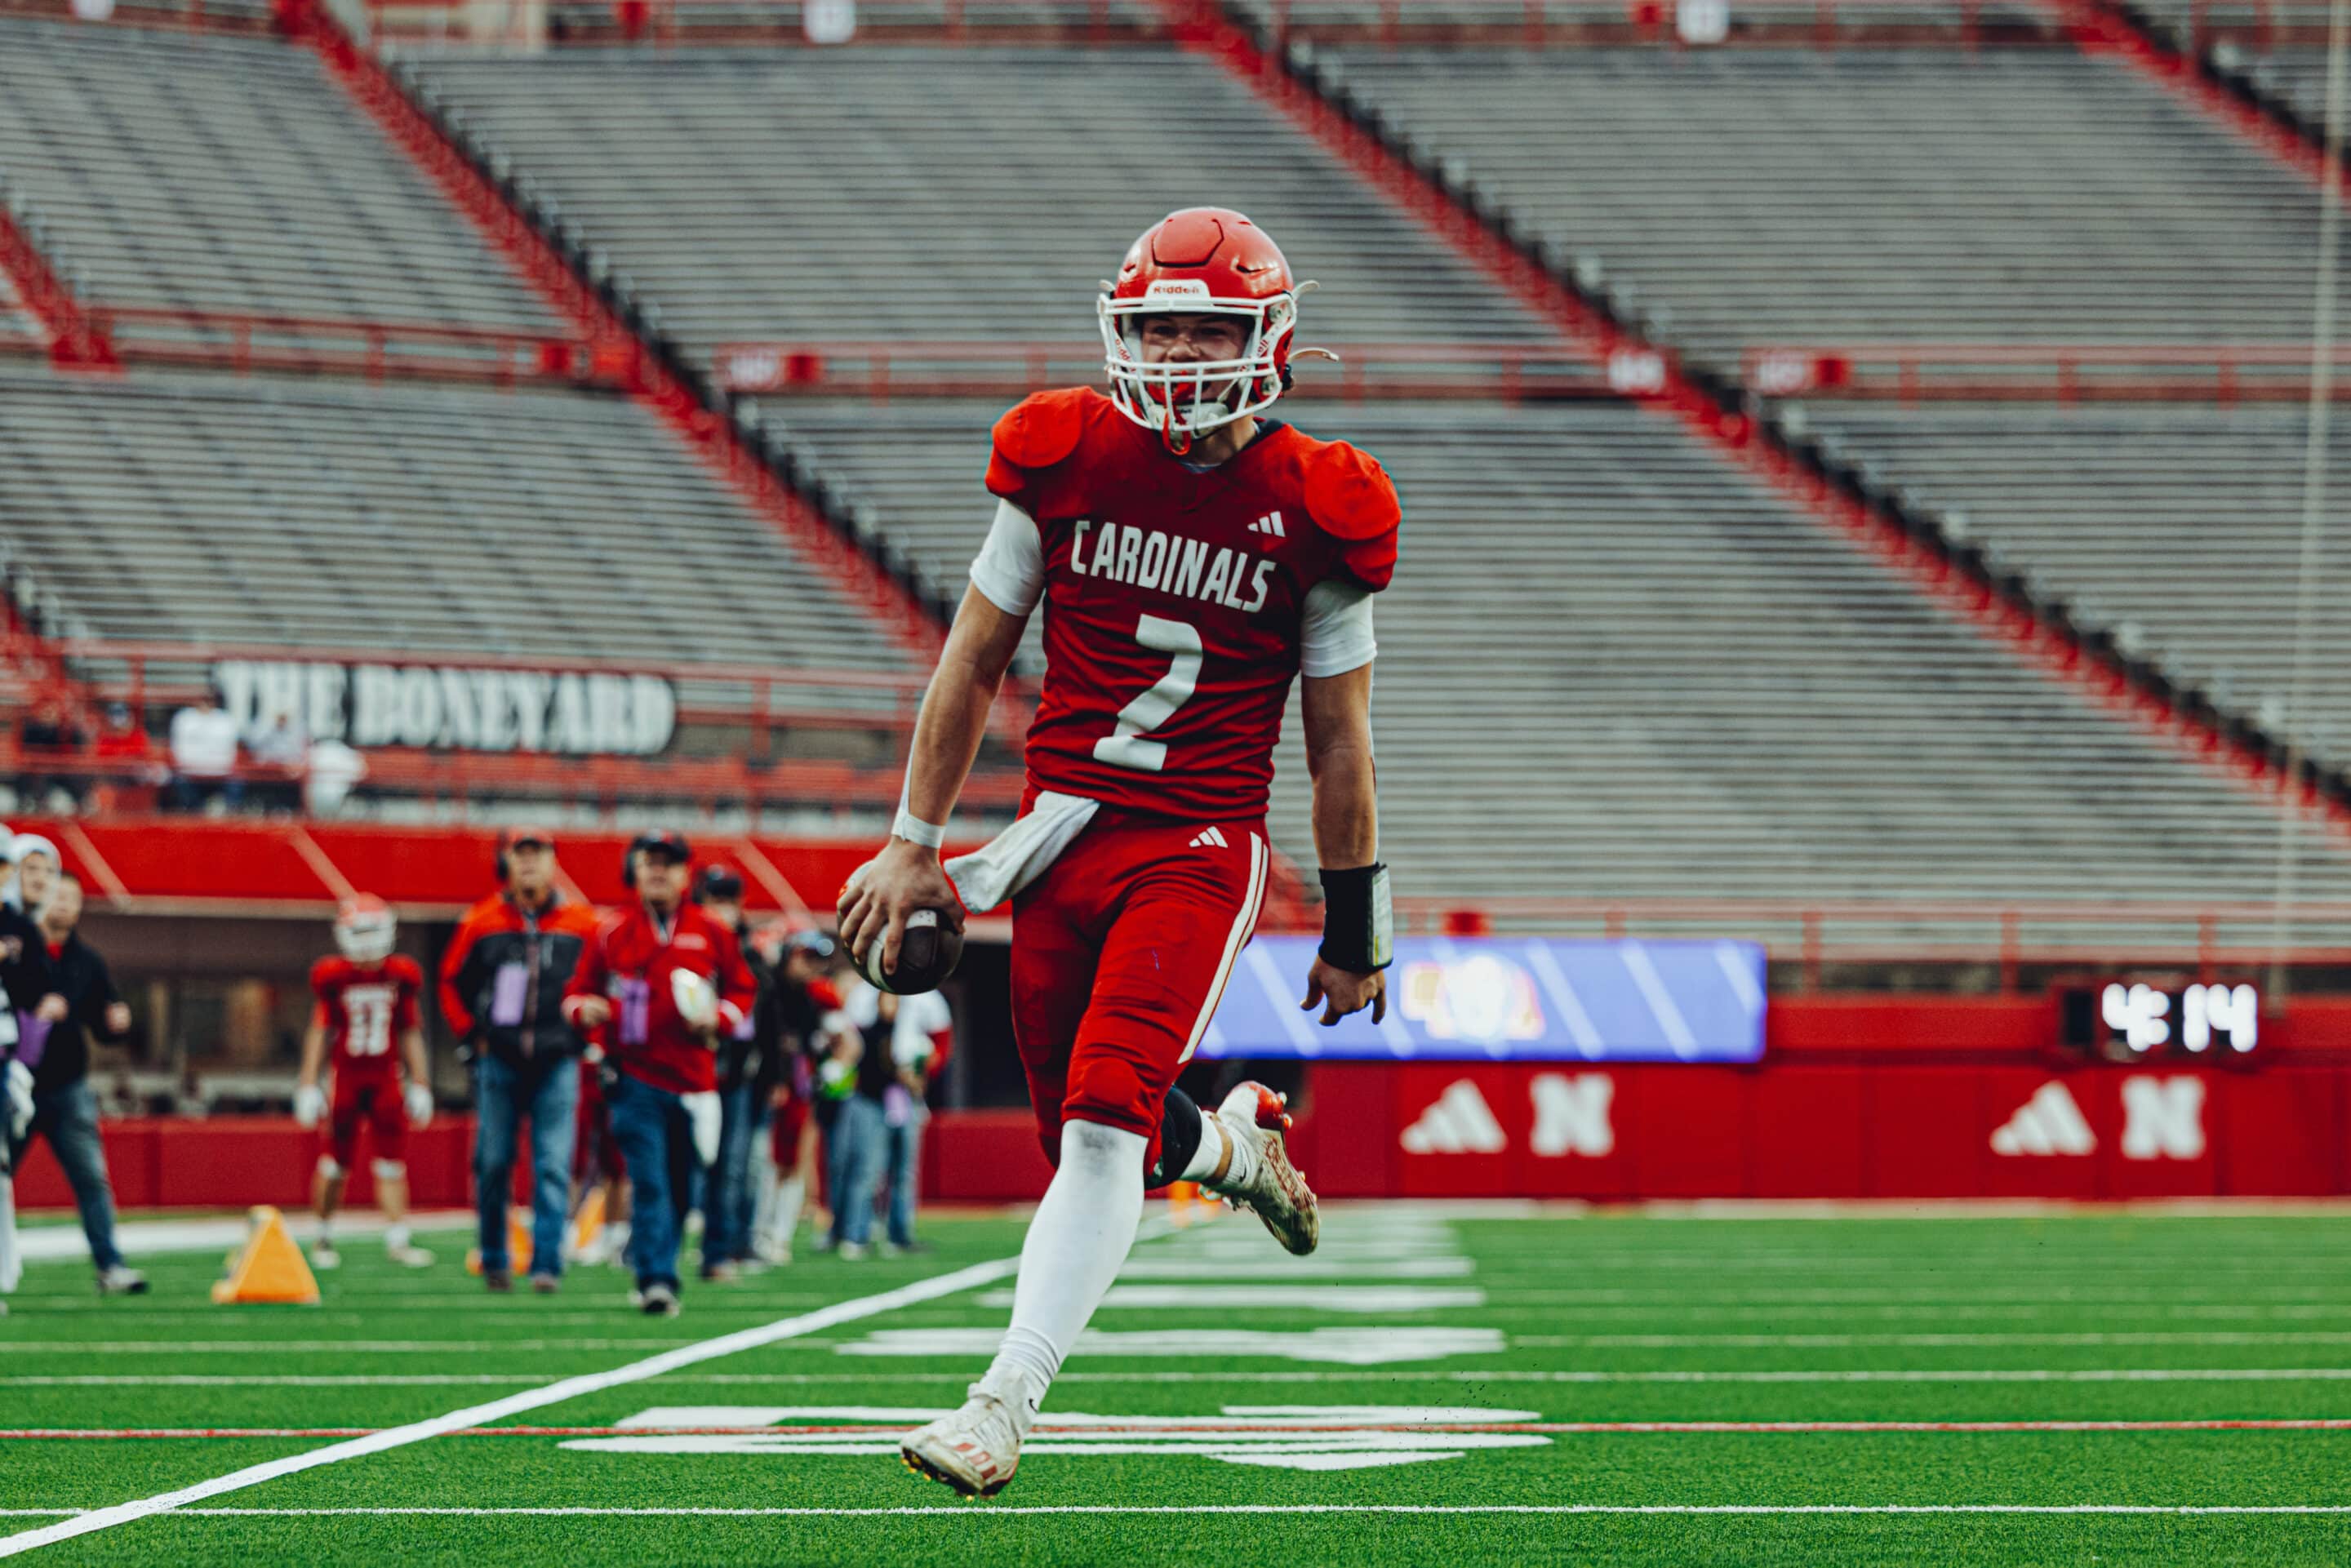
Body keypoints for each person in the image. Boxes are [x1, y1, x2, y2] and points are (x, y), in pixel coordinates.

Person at [839, 208, 1397, 1495]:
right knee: (1103, 1138)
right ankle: (1234, 1150)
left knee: (1099, 1126)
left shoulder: (1318, 504)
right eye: (1160, 326)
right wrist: (914, 842)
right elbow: (972, 658)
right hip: (1056, 838)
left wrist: (1358, 929)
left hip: (1197, 844)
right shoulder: (1066, 455)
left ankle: (1000, 1403)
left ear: (1271, 339)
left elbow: (1340, 745)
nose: (1182, 351)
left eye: (1209, 325)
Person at [561, 831, 755, 1317]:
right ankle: (656, 1278)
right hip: (634, 1076)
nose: (657, 872)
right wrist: (584, 1010)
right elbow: (575, 993)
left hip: (693, 1079)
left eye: (667, 863)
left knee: (683, 1185)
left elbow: (744, 993)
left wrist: (720, 1018)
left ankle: (660, 1264)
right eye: (649, 862)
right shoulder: (611, 930)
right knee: (649, 1182)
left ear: (685, 873)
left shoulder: (712, 931)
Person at [439, 826, 600, 1294]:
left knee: (552, 1164)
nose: (530, 863)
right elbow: (452, 982)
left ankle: (547, 1263)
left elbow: (601, 980)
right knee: (492, 1161)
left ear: (553, 862)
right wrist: (472, 1034)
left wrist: (587, 1033)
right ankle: (494, 1258)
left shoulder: (581, 923)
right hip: (500, 1059)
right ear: (506, 863)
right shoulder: (481, 921)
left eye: (539, 853)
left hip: (558, 1059)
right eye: (521, 854)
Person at [8, 870, 145, 1295]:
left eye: (74, 898)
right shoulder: (17, 951)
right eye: (59, 896)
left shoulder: (87, 961)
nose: (66, 904)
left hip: (69, 1087)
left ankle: (110, 1265)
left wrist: (117, 1023)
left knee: (91, 1179)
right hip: (15, 1083)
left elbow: (104, 1022)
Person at [294, 896, 435, 1270]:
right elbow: (320, 1029)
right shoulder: (334, 976)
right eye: (362, 932)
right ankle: (322, 1236)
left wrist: (421, 1082)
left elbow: (410, 1030)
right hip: (347, 1078)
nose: (369, 942)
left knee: (392, 1163)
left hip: (387, 1076)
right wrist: (309, 1083)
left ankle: (398, 1241)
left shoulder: (400, 975)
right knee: (335, 1163)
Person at [687, 865, 774, 1282]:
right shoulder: (690, 945)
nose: (722, 909)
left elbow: (770, 1018)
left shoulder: (750, 954)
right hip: (688, 1069)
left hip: (737, 1073)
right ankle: (646, 1246)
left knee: (733, 1165)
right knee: (677, 1162)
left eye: (728, 900)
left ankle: (724, 1247)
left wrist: (773, 1077)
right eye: (714, 900)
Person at [750, 930, 851, 1264]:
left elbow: (844, 1041)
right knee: (764, 1160)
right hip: (766, 1086)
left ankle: (779, 1234)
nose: (810, 967)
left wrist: (831, 1066)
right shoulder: (769, 990)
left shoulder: (814, 998)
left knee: (792, 1161)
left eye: (815, 961)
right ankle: (756, 1232)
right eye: (805, 957)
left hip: (800, 1086)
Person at [166, 691, 242, 814]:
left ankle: (228, 819)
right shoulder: (184, 718)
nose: (205, 704)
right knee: (179, 782)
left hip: (221, 773)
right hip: (190, 773)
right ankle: (195, 816)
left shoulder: (226, 720)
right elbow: (177, 748)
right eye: (203, 699)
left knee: (237, 783)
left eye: (210, 700)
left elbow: (231, 749)